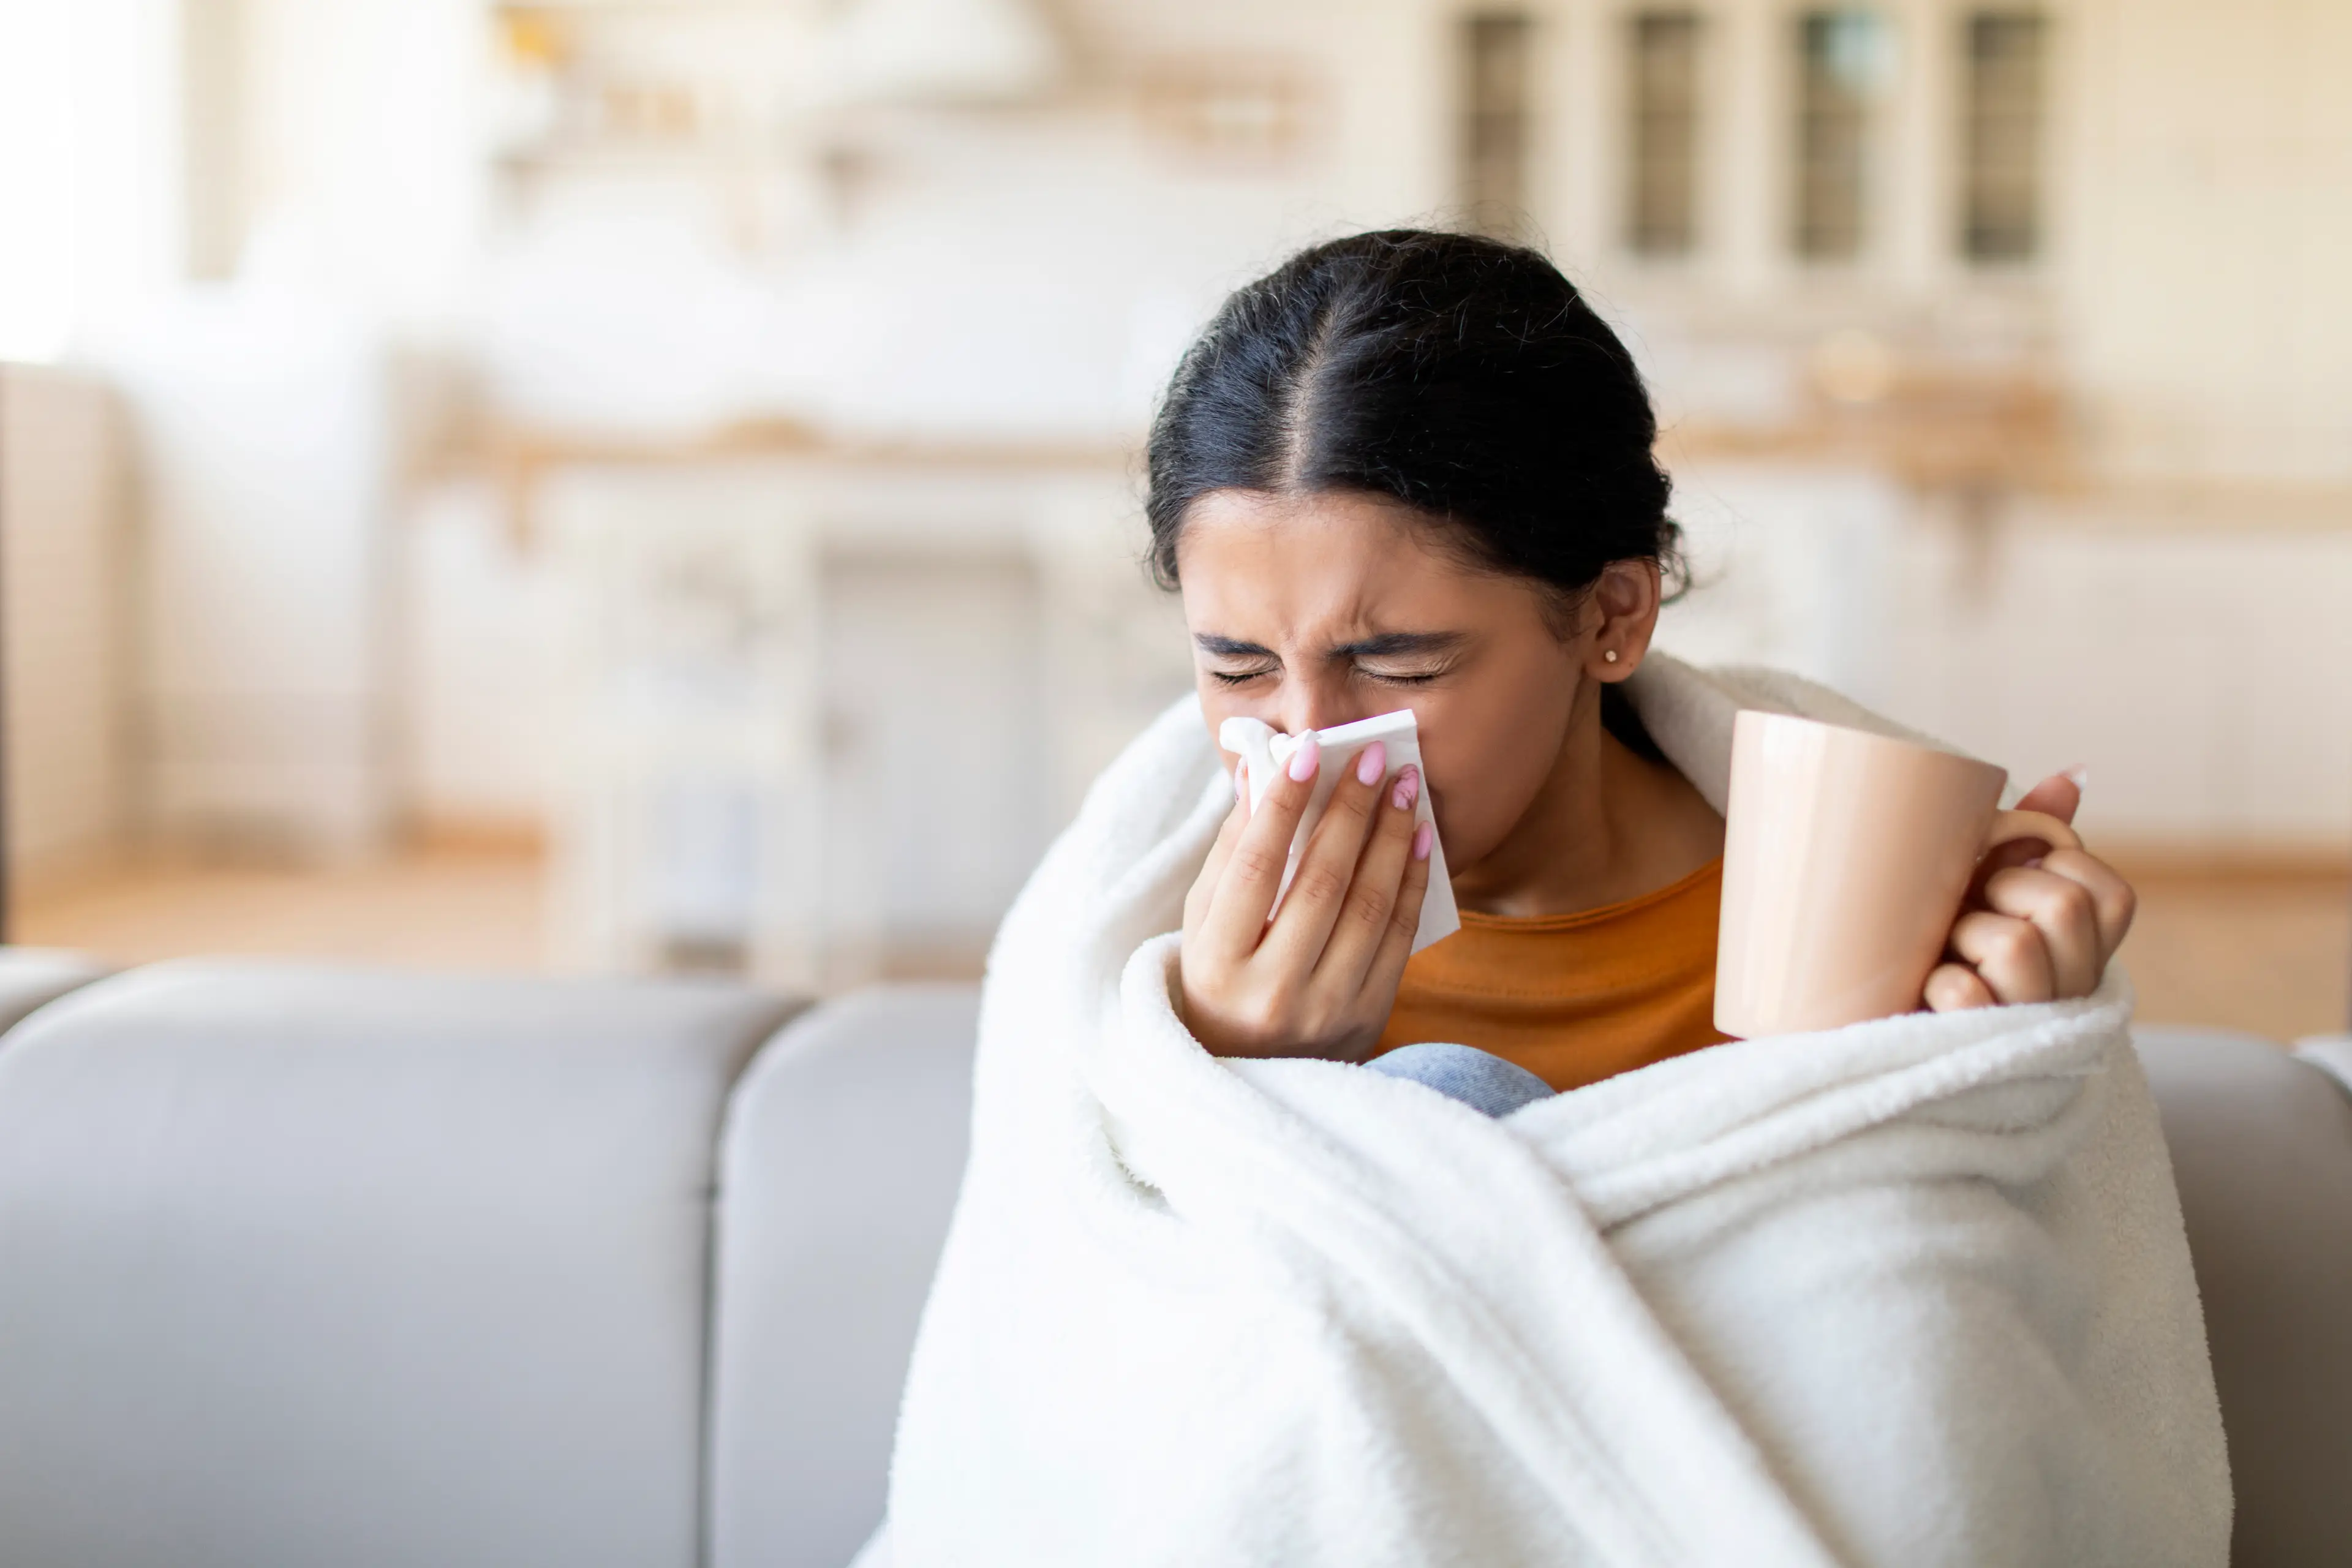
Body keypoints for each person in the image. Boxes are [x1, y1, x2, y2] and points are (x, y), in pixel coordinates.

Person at [1152, 229, 2136, 1115]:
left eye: (1400, 663)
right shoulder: (1163, 933)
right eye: (1239, 669)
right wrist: (1231, 1079)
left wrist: (2001, 1060)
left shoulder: (1847, 913)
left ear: (1612, 616)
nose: (1306, 740)